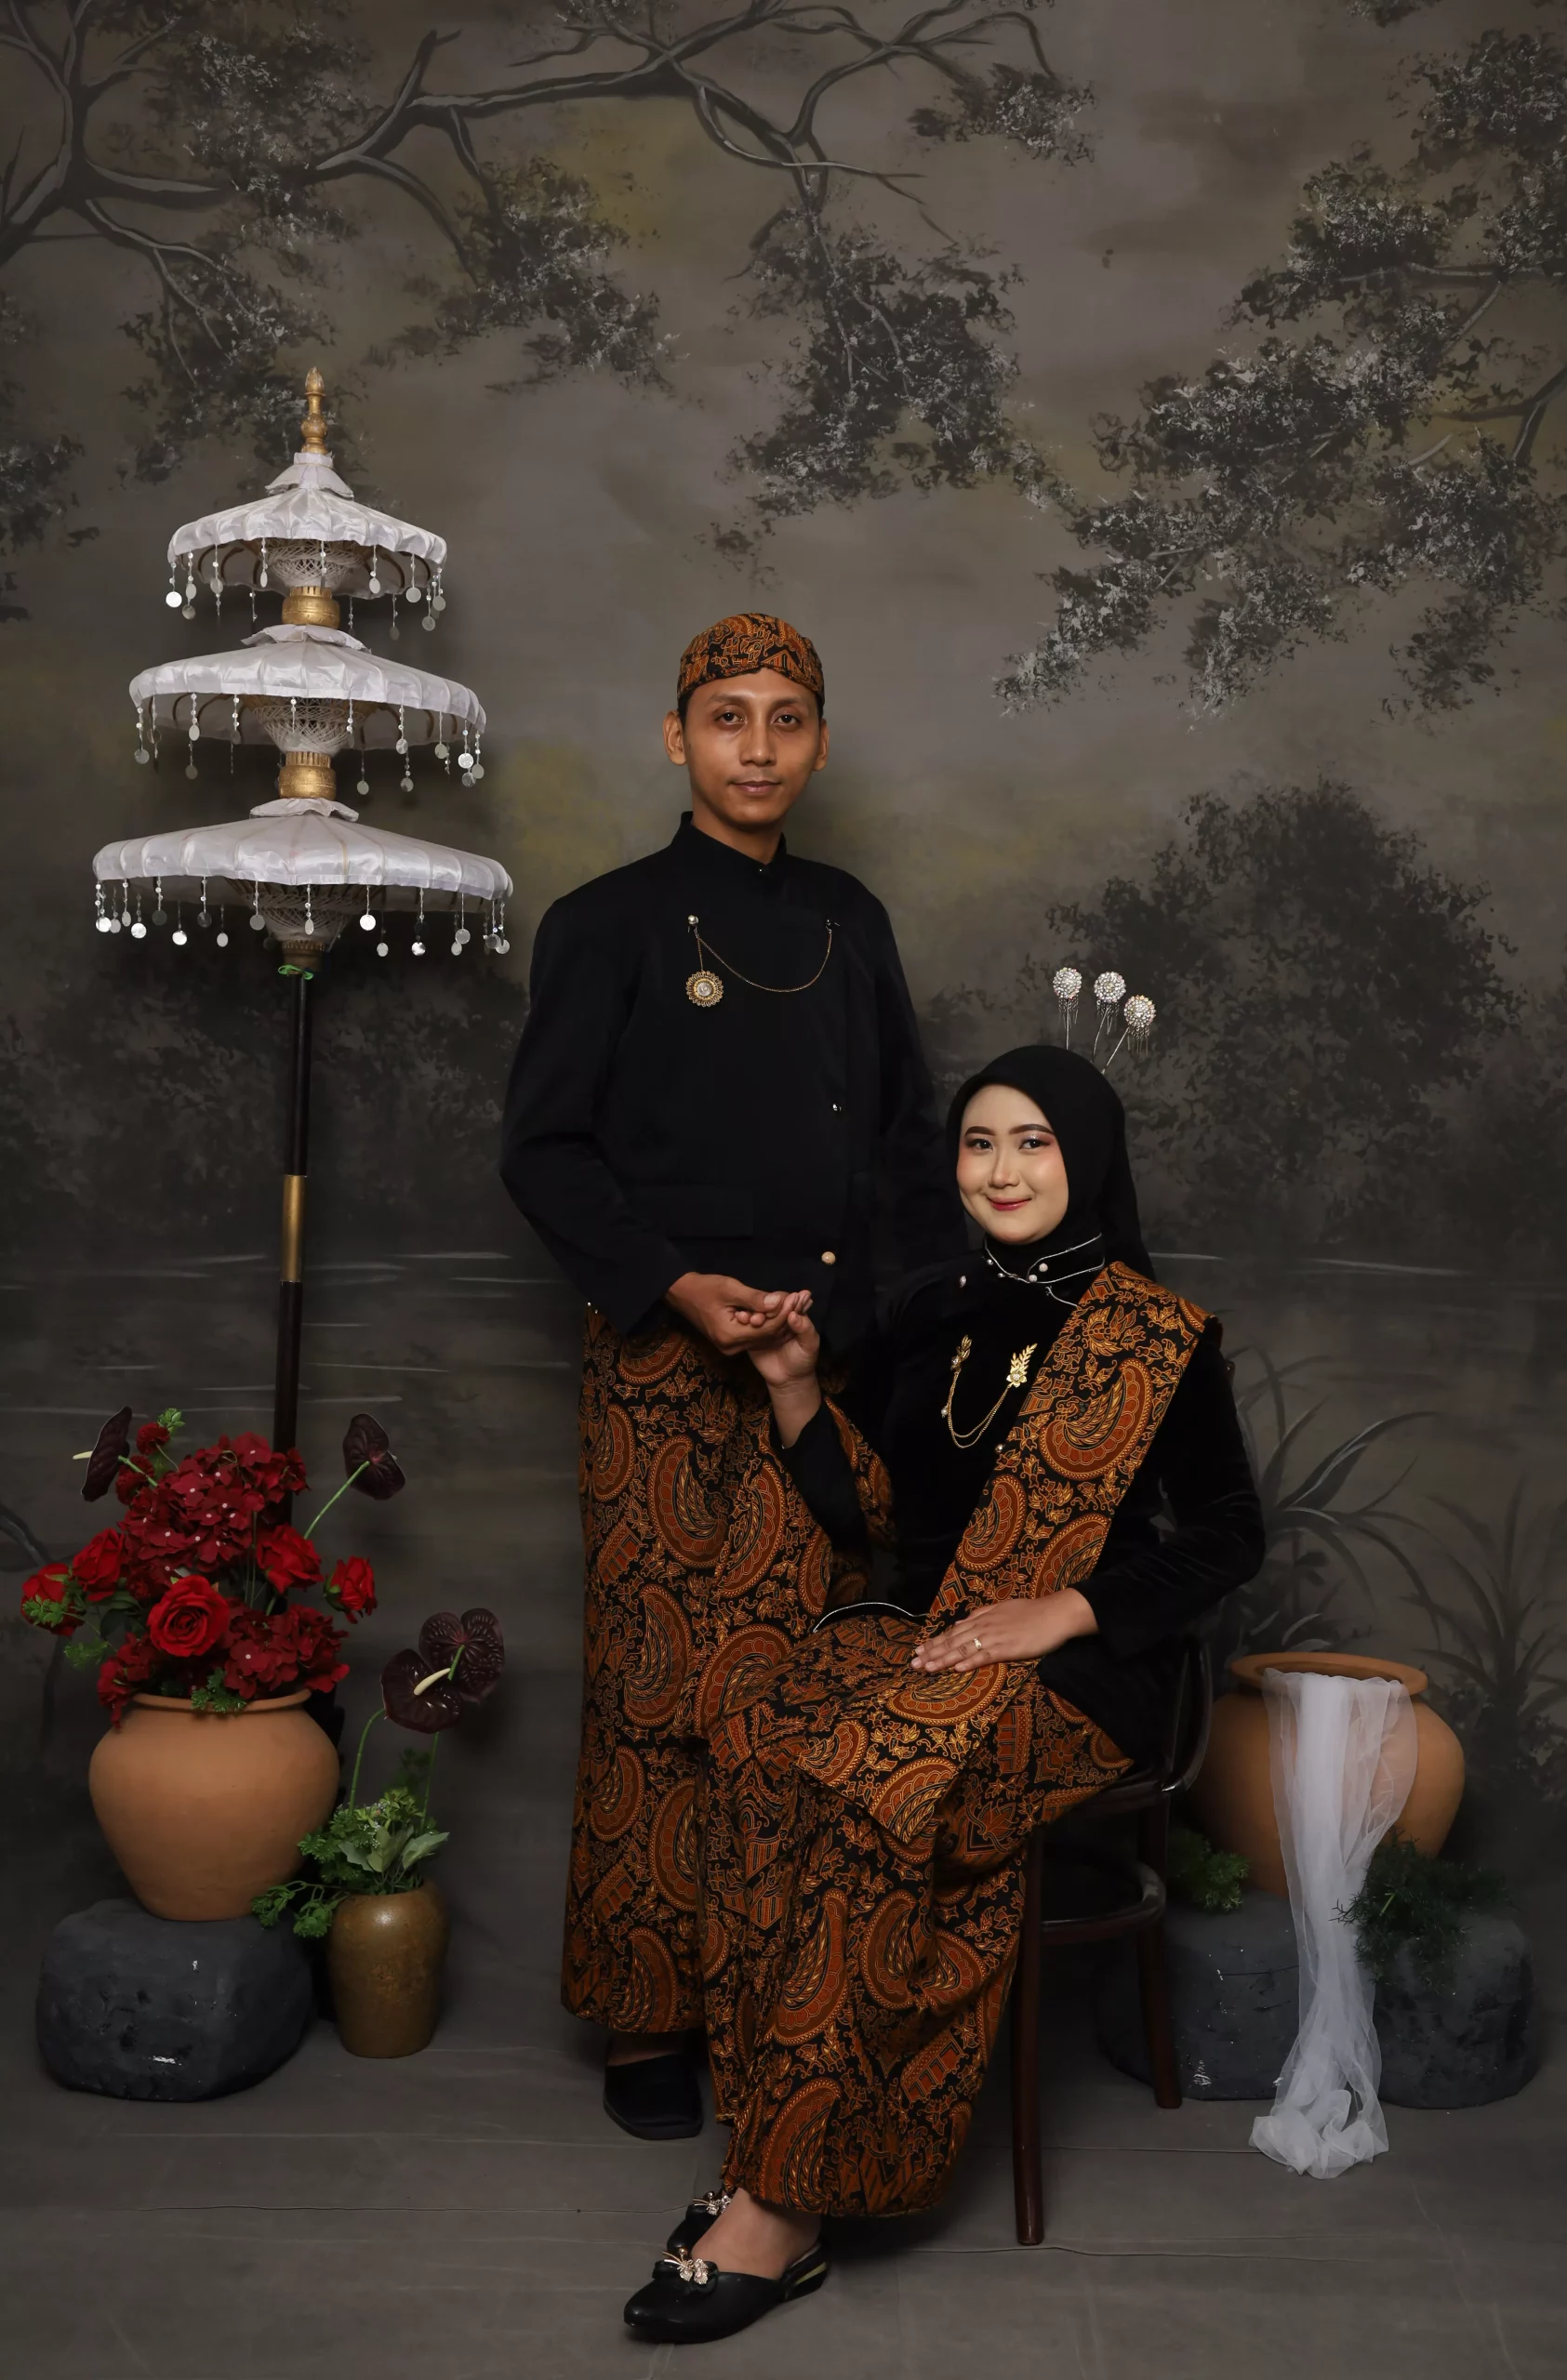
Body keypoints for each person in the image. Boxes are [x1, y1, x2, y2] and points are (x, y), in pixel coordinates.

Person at [621, 1044, 1266, 2342]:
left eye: (1032, 1141)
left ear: (1086, 1157)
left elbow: (1227, 1533)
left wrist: (1063, 1610)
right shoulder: (928, 1310)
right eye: (979, 1142)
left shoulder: (1155, 1336)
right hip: (919, 1647)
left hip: (1082, 1675)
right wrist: (795, 1390)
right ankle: (771, 2139)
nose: (1001, 1170)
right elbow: (872, 1520)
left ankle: (784, 2207)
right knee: (756, 1747)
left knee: (878, 1788)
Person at [499, 613, 965, 2140]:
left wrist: (889, 1344)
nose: (755, 746)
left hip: (822, 1369)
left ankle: (778, 1990)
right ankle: (648, 2020)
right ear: (675, 738)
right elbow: (544, 1152)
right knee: (657, 1693)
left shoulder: (849, 919)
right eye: (725, 717)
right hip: (660, 1362)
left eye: (785, 718)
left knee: (793, 1690)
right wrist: (675, 1287)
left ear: (819, 746)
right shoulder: (606, 923)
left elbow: (907, 1152)